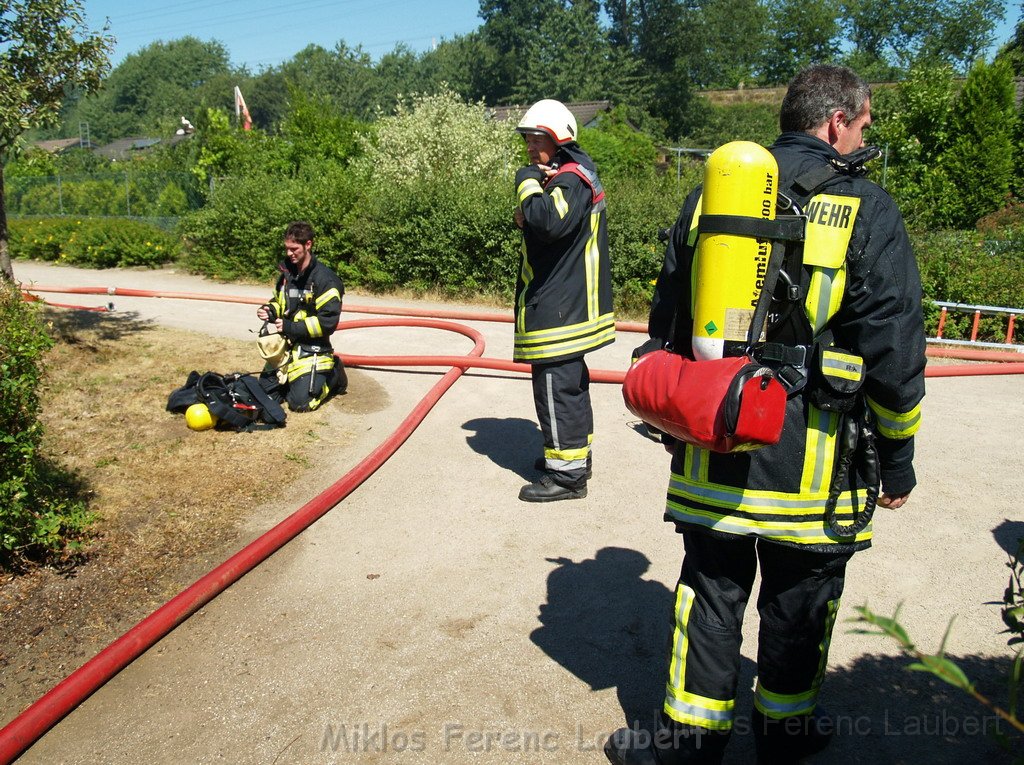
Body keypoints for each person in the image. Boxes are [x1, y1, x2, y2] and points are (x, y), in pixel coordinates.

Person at [605, 65, 926, 764]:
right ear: (837, 121)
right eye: (865, 124)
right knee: (800, 602)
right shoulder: (866, 208)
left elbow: (667, 322)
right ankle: (786, 733)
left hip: (713, 440)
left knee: (711, 592)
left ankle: (689, 741)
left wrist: (676, 421)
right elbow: (894, 350)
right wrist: (897, 458)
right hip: (811, 463)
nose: (864, 138)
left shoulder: (709, 197)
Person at [513, 99, 615, 502]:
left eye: (535, 140)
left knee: (556, 389)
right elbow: (537, 221)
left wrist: (525, 181)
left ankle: (567, 477)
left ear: (557, 139)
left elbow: (547, 221)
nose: (528, 149)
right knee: (568, 387)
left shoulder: (571, 179)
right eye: (526, 141)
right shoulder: (569, 176)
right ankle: (573, 457)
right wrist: (528, 207)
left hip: (562, 308)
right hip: (566, 303)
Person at [256, 221, 347, 412]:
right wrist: (270, 310)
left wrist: (289, 327)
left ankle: (334, 374)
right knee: (265, 395)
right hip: (288, 345)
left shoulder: (325, 280)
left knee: (300, 404)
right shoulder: (287, 274)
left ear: (308, 245)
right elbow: (279, 301)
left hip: (314, 347)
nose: (289, 254)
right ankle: (296, 380)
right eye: (287, 248)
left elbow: (327, 323)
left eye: (294, 249)